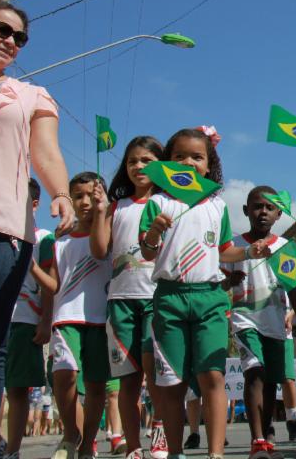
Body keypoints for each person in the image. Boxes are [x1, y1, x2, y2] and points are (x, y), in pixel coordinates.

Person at [0, 0, 74, 459]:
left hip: (0, 231)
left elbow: (46, 152)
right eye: (1, 29)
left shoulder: (32, 95)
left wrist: (61, 193)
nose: (10, 41)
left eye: (20, 37)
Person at [139, 127, 270, 459]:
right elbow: (147, 252)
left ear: (209, 165)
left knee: (212, 375)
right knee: (173, 382)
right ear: (168, 163)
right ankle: (173, 452)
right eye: (179, 156)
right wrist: (153, 232)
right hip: (169, 299)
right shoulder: (157, 202)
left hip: (211, 299)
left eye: (197, 157)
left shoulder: (217, 206)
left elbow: (225, 250)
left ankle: (216, 454)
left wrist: (249, 252)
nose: (187, 162)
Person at [90, 135, 168, 459]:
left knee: (156, 373)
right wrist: (97, 212)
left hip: (156, 298)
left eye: (146, 160)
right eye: (132, 161)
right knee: (128, 380)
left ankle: (160, 429)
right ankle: (133, 447)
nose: (138, 166)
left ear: (161, 164)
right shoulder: (116, 206)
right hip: (120, 302)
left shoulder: (169, 203)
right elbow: (99, 249)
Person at [223, 185, 296, 459]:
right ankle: (257, 441)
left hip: (274, 324)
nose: (263, 212)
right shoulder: (235, 246)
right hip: (245, 320)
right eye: (257, 206)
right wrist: (228, 281)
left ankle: (267, 437)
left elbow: (294, 287)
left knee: (271, 381)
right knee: (254, 372)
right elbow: (218, 280)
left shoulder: (284, 247)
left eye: (269, 208)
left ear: (278, 214)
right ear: (246, 211)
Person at [32, 172, 113, 459]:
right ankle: (70, 433)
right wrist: (32, 269)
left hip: (100, 320)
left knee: (95, 385)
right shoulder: (60, 240)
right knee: (63, 376)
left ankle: (87, 444)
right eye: (78, 196)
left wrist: (102, 218)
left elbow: (102, 252)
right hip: (65, 319)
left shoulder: (109, 232)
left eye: (92, 195)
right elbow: (54, 285)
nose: (85, 202)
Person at [3, 179, 54, 459]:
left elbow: (50, 286)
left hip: (25, 321)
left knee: (17, 389)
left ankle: (12, 450)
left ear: (35, 205)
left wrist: (46, 320)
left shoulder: (43, 238)